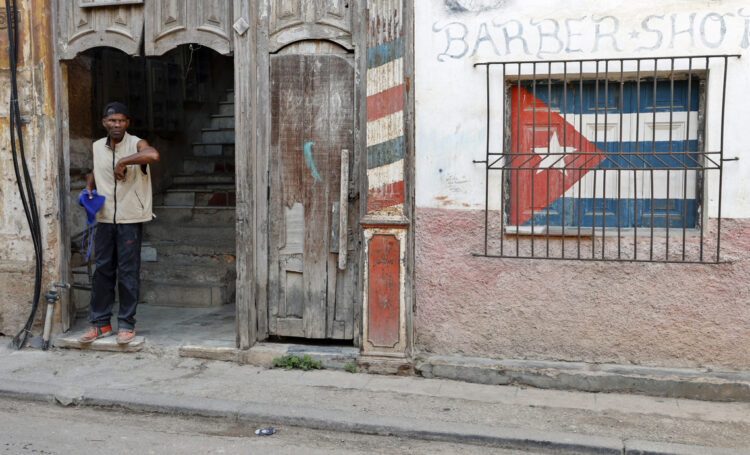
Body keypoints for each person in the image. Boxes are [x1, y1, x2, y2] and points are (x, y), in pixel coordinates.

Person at [78, 102, 160, 344]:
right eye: (112, 121)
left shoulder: (136, 144)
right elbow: (96, 169)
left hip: (130, 217)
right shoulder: (96, 146)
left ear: (127, 123)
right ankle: (100, 323)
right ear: (104, 123)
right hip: (104, 217)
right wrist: (89, 186)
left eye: (121, 121)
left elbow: (153, 155)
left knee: (127, 271)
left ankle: (126, 323)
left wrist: (123, 162)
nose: (117, 125)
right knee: (102, 270)